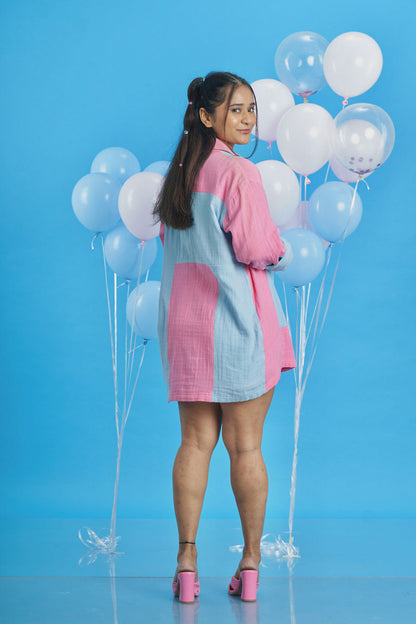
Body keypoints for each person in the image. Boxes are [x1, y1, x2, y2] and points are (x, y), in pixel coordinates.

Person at [153, 71, 296, 603]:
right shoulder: (240, 173)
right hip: (239, 325)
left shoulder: (177, 176)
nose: (247, 119)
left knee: (193, 443)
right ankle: (251, 565)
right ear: (208, 116)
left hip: (186, 328)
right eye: (236, 110)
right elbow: (257, 248)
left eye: (251, 109)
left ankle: (186, 564)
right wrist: (281, 250)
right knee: (247, 446)